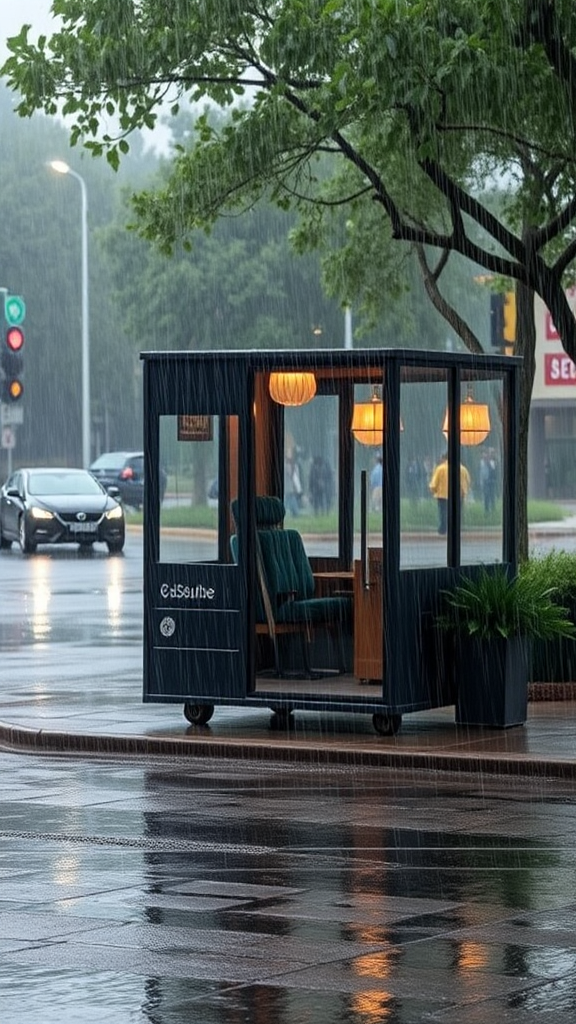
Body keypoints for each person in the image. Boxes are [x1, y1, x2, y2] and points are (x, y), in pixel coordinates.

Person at [428, 452, 471, 535]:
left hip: (443, 495)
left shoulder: (440, 469)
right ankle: (455, 529)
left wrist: (433, 490)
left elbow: (434, 482)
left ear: (445, 458)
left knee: (443, 513)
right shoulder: (462, 469)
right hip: (458, 495)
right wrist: (464, 492)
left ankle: (443, 529)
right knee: (456, 513)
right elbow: (467, 481)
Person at [479, 449, 497, 514]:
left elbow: (493, 470)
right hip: (485, 481)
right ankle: (486, 510)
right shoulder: (482, 462)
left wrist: (488, 462)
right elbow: (481, 472)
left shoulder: (492, 462)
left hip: (491, 481)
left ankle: (493, 509)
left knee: (492, 496)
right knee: (486, 495)